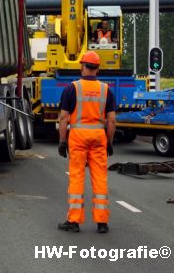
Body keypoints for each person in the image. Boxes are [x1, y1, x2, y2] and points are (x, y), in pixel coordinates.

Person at [57, 51, 116, 234]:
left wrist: (62, 141)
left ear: (82, 66)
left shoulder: (72, 88)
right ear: (97, 69)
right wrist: (110, 142)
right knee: (100, 178)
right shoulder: (106, 90)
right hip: (99, 137)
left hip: (78, 137)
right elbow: (112, 120)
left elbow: (64, 118)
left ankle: (74, 221)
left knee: (77, 177)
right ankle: (102, 222)